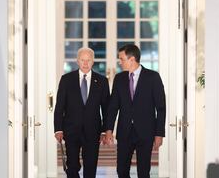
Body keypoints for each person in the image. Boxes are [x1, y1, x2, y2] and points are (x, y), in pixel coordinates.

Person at [105, 44, 166, 178]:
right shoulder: (119, 79)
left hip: (146, 132)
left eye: (122, 59)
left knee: (143, 172)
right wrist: (108, 129)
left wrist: (159, 134)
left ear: (132, 59)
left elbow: (161, 108)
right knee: (121, 170)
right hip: (124, 132)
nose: (120, 62)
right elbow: (113, 106)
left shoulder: (153, 77)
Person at [54, 47, 110, 178]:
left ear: (93, 61)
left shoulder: (101, 81)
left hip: (93, 130)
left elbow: (106, 108)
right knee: (72, 166)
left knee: (90, 165)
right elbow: (59, 106)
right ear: (77, 61)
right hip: (71, 130)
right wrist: (58, 129)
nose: (85, 63)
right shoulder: (66, 80)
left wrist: (104, 130)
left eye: (88, 60)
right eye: (82, 60)